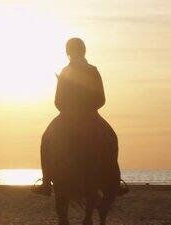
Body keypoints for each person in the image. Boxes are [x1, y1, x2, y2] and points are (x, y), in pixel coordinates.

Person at [33, 38, 127, 196]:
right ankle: (114, 181)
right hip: (91, 115)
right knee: (111, 138)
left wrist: (68, 109)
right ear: (84, 51)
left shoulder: (65, 71)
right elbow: (101, 99)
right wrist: (88, 108)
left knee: (46, 140)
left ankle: (46, 183)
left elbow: (57, 101)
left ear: (68, 52)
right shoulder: (93, 70)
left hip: (67, 116)